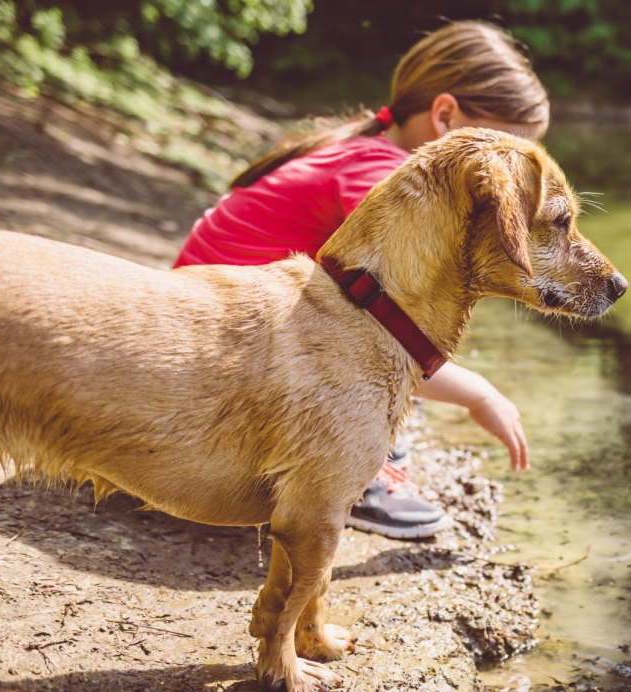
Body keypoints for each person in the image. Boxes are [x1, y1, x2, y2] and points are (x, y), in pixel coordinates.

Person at [172, 21, 549, 539]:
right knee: (383, 355)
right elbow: (395, 333)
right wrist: (480, 395)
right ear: (445, 117)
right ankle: (353, 479)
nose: (516, 182)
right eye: (508, 151)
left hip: (212, 338)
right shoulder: (393, 183)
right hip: (212, 371)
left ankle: (370, 456)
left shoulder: (366, 151)